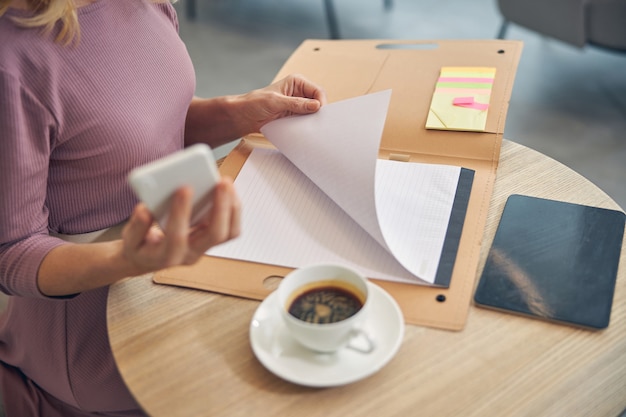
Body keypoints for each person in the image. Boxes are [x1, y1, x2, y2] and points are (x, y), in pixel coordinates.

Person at [0, 0, 327, 415]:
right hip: (93, 339)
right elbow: (11, 252)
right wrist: (127, 258)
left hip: (171, 273)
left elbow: (144, 129)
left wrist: (239, 111)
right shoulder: (12, 59)